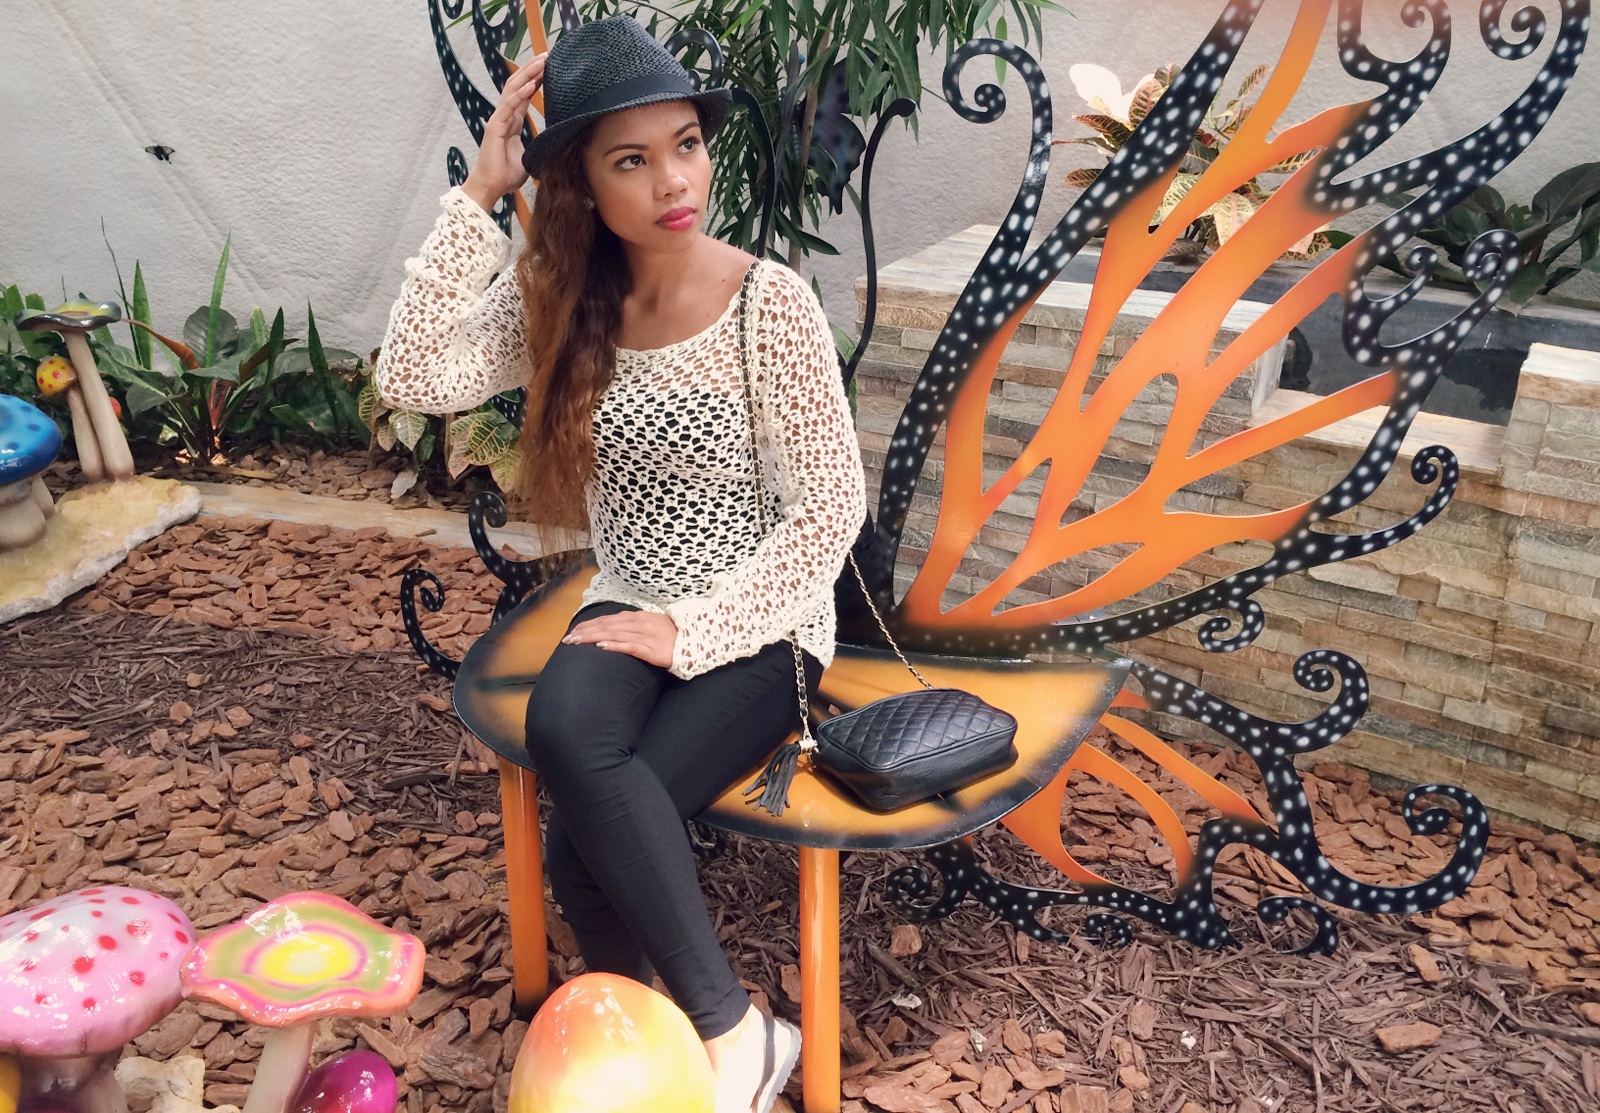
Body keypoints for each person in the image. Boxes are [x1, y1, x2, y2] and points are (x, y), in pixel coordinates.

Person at [373, 15, 866, 1113]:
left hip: (764, 624)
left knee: (582, 847)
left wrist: (696, 630)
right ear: (584, 186)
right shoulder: (564, 302)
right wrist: (479, 194)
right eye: (631, 161)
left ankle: (697, 1039)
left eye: (685, 144)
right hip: (632, 596)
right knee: (565, 728)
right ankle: (716, 1040)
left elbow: (830, 509)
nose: (672, 181)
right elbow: (413, 372)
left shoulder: (767, 304)